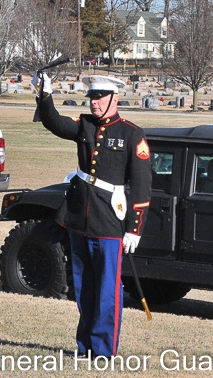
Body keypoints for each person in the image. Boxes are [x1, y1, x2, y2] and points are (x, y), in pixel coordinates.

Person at [32, 72, 152, 357]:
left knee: (107, 290)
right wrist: (45, 95)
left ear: (114, 98)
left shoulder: (131, 134)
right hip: (79, 218)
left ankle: (103, 350)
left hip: (109, 221)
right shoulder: (84, 125)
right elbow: (54, 122)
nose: (94, 102)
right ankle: (85, 346)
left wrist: (134, 229)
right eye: (92, 97)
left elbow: (142, 185)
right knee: (83, 286)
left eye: (99, 97)